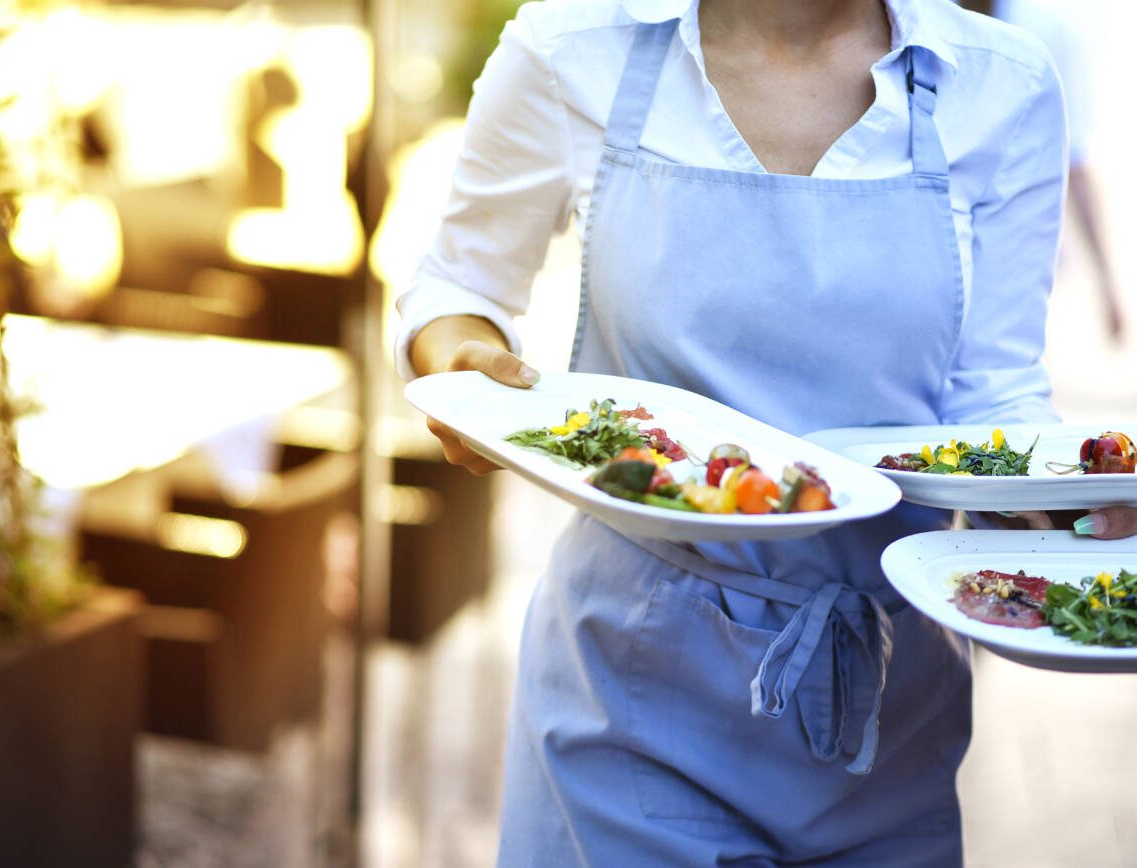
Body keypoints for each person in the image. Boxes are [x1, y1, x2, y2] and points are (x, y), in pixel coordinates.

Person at [395, 0, 1137, 863]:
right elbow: (456, 285)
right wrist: (468, 369)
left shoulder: (1001, 83)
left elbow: (994, 390)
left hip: (892, 702)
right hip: (634, 689)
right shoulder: (573, 46)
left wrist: (1055, 507)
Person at [962, 0, 1126, 343]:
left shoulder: (1043, 32)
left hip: (1010, 263)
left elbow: (1074, 157)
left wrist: (1107, 283)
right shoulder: (901, 19)